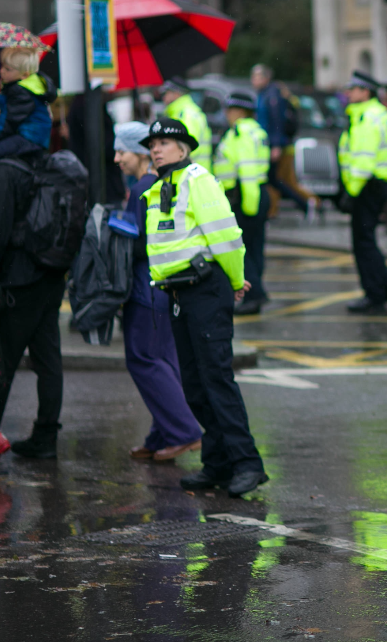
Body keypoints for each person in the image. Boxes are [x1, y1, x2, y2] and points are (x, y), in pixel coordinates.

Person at [140, 117, 267, 496]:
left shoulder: (199, 180)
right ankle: (218, 463)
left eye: (164, 142)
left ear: (184, 148)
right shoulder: (161, 187)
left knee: (216, 379)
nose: (156, 149)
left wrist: (233, 281)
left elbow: (227, 238)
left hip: (205, 290)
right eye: (153, 144)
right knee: (194, 385)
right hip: (177, 294)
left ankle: (248, 463)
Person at [113, 122, 203, 461]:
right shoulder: (161, 184)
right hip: (165, 289)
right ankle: (162, 433)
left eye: (122, 151)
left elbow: (140, 245)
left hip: (145, 289)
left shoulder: (143, 189)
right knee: (163, 360)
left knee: (144, 359)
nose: (117, 158)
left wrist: (115, 231)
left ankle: (183, 431)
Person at [0, 141, 66, 459]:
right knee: (48, 360)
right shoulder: (42, 162)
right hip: (51, 275)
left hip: (19, 281)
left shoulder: (5, 170)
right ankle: (46, 437)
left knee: (1, 362)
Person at [339, 70, 387, 314]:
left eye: (353, 89)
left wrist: (350, 194)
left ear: (365, 92)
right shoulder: (376, 114)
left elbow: (363, 162)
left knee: (363, 243)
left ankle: (375, 294)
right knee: (368, 240)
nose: (349, 93)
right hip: (375, 185)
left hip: (366, 187)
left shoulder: (367, 118)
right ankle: (385, 286)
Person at [213, 91, 271, 314]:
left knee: (241, 249)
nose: (227, 114)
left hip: (245, 195)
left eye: (229, 110)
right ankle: (253, 295)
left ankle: (254, 295)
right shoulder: (256, 130)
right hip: (255, 193)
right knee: (255, 248)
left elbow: (246, 171)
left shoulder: (241, 132)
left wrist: (249, 207)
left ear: (239, 111)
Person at [0, 47, 57, 194]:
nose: (1, 71)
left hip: (29, 137)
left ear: (24, 75)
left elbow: (8, 122)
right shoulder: (28, 87)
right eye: (2, 66)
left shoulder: (20, 92)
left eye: (8, 69)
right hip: (33, 136)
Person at [253, 64, 318, 220]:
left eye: (256, 76)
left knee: (277, 180)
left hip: (275, 146)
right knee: (276, 180)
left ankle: (307, 203)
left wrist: (276, 145)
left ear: (266, 78)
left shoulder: (272, 96)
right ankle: (303, 205)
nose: (253, 80)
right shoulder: (264, 94)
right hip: (269, 144)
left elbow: (276, 122)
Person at [159, 77, 212, 169]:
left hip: (192, 174)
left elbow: (186, 147)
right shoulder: (179, 113)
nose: (163, 97)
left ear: (175, 94)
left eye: (166, 93)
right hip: (192, 172)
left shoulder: (187, 115)